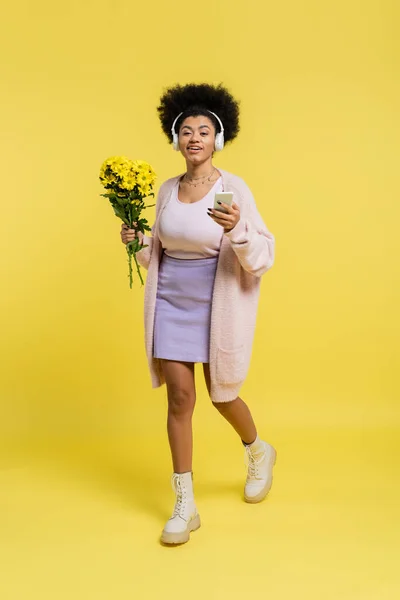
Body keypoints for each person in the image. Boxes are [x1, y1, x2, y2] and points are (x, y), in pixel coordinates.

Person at [120, 83, 277, 545]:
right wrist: (139, 243)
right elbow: (163, 252)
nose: (194, 138)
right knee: (179, 400)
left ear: (218, 139)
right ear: (176, 139)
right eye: (185, 130)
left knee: (222, 394)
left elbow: (263, 254)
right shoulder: (167, 190)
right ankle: (184, 505)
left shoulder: (234, 189)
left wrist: (239, 230)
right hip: (169, 302)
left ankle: (258, 450)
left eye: (203, 131)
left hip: (216, 304)